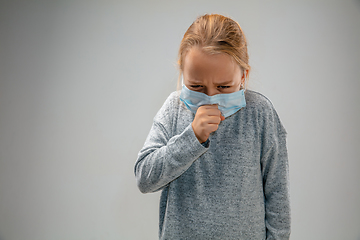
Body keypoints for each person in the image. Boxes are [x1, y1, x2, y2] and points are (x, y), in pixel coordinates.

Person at [134, 14, 290, 240]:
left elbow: (277, 194)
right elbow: (144, 178)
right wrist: (192, 138)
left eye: (224, 86)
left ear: (243, 76)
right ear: (183, 75)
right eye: (196, 86)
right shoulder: (173, 109)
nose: (210, 98)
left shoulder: (260, 113)